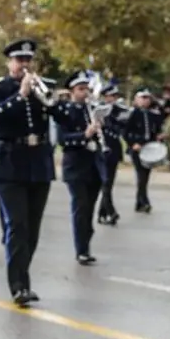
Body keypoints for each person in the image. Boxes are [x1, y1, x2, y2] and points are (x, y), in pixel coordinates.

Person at [0, 39, 54, 306]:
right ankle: (18, 285)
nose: (24, 65)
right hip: (8, 163)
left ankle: (23, 275)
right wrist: (21, 95)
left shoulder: (42, 87)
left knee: (33, 229)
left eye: (28, 60)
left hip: (38, 162)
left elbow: (56, 114)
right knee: (18, 225)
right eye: (19, 60)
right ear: (9, 62)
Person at [51, 72, 106, 265]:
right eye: (81, 89)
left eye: (87, 89)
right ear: (72, 91)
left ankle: (85, 243)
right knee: (81, 208)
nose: (85, 93)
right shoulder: (65, 111)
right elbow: (62, 140)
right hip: (75, 166)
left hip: (94, 165)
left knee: (89, 208)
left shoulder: (93, 109)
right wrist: (84, 134)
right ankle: (81, 250)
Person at [94, 82, 130, 226]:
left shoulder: (118, 110)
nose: (113, 99)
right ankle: (110, 211)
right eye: (110, 96)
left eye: (115, 96)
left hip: (113, 149)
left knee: (109, 183)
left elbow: (123, 125)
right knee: (106, 183)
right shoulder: (98, 109)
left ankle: (102, 213)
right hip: (102, 149)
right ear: (105, 96)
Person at [126, 89, 165, 213]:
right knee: (141, 175)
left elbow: (157, 129)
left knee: (145, 176)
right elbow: (126, 132)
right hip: (137, 148)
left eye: (147, 98)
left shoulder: (154, 114)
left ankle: (139, 202)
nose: (145, 100)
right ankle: (144, 201)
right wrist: (133, 143)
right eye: (142, 98)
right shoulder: (132, 113)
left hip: (149, 148)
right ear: (136, 100)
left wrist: (159, 136)